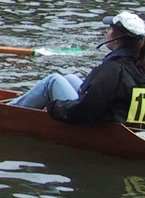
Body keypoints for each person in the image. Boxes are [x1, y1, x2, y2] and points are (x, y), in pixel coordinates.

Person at [10, 12, 145, 122]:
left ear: (116, 39)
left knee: (52, 81)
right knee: (69, 77)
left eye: (110, 28)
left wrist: (54, 106)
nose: (107, 30)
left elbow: (86, 112)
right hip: (123, 120)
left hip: (103, 127)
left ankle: (3, 111)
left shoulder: (113, 69)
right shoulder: (138, 62)